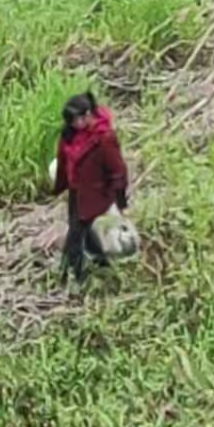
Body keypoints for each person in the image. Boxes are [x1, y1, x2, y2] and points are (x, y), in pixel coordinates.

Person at [51, 92, 128, 285]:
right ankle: (101, 266)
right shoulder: (69, 134)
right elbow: (63, 160)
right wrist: (60, 184)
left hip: (96, 194)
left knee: (76, 235)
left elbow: (117, 170)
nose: (73, 125)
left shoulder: (104, 138)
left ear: (87, 115)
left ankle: (72, 276)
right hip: (76, 191)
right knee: (85, 232)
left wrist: (119, 198)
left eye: (75, 120)